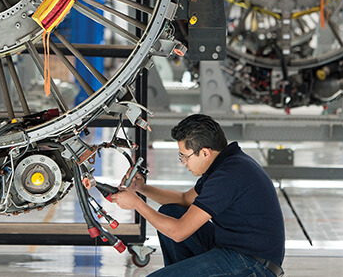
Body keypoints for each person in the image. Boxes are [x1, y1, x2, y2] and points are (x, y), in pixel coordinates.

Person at [109, 114, 285, 276]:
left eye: (185, 156)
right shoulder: (225, 163)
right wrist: (141, 188)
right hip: (233, 248)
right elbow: (185, 199)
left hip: (254, 265)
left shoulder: (227, 176)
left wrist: (137, 204)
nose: (184, 163)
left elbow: (178, 232)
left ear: (205, 153)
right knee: (171, 212)